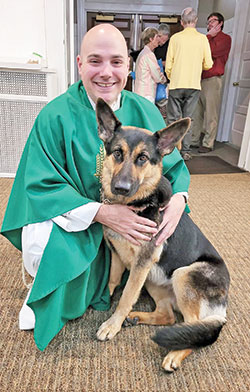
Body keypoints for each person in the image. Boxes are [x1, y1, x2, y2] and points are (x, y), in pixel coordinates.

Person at [1, 24, 190, 351]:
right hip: (77, 221)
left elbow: (172, 167)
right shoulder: (54, 116)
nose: (106, 72)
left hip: (132, 228)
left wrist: (179, 200)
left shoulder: (145, 110)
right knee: (39, 248)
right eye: (95, 61)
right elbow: (40, 185)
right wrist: (102, 213)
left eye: (116, 62)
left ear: (128, 67)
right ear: (79, 64)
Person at [165, 7, 213, 161]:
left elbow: (168, 66)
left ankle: (170, 150)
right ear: (196, 20)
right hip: (193, 85)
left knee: (172, 119)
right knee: (188, 119)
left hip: (176, 84)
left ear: (181, 22)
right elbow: (209, 64)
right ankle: (185, 151)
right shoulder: (202, 39)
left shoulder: (175, 38)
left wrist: (173, 77)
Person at [191, 13, 231, 153]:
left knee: (211, 114)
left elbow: (210, 52)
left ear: (220, 23)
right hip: (200, 79)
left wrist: (208, 37)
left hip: (213, 80)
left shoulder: (225, 39)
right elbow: (197, 52)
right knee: (197, 113)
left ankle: (208, 143)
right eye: (208, 22)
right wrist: (207, 37)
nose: (209, 24)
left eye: (212, 21)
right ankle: (194, 140)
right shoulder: (205, 39)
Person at [134, 27, 166, 103]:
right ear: (151, 39)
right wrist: (164, 79)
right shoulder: (149, 55)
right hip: (147, 94)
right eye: (157, 36)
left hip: (140, 92)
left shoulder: (142, 53)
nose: (159, 39)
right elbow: (157, 76)